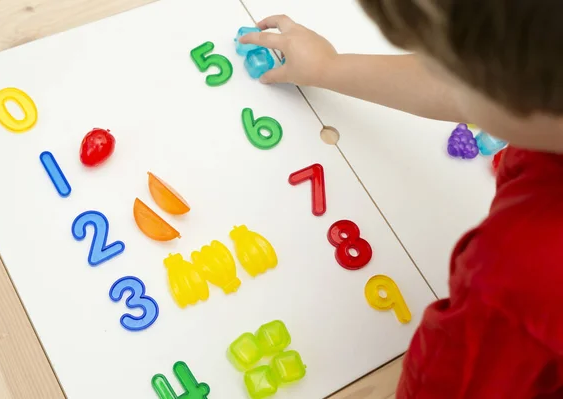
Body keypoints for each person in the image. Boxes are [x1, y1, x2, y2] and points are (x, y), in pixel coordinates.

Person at [240, 2, 563, 398]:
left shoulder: (513, 281)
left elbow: (449, 385)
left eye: (442, 65)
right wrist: (328, 66)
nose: (436, 74)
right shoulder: (545, 103)